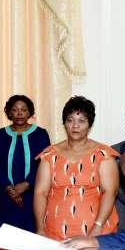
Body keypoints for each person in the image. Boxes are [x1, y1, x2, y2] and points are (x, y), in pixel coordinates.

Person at [34, 96, 119, 240]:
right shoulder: (50, 154)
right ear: (64, 124)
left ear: (89, 125)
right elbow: (40, 193)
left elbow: (110, 191)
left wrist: (98, 227)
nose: (75, 126)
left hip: (98, 230)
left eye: (81, 121)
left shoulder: (103, 153)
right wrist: (40, 229)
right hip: (54, 231)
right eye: (70, 120)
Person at [0, 94, 50, 250]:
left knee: (31, 239)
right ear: (8, 112)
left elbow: (44, 161)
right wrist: (9, 188)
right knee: (9, 241)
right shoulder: (0, 135)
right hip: (5, 198)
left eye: (23, 109)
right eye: (15, 109)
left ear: (30, 112)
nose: (19, 113)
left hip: (32, 197)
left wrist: (27, 184)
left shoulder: (40, 134)